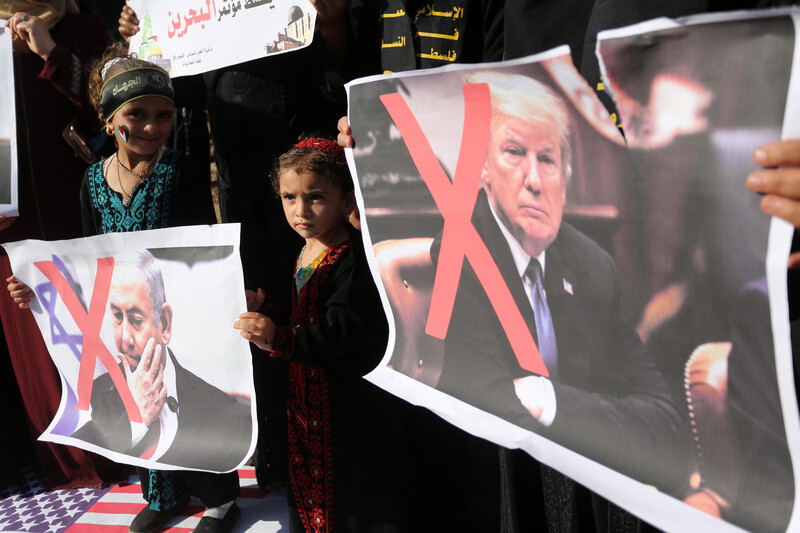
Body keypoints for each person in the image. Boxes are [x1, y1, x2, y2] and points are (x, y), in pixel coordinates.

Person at [9, 44, 241, 533]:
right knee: (141, 400)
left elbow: (205, 240)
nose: (153, 127)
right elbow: (86, 259)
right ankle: (162, 495)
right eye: (138, 114)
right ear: (109, 117)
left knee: (189, 398)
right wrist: (38, 289)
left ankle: (220, 499)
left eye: (163, 115)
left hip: (181, 313)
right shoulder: (92, 181)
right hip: (126, 319)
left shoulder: (182, 172)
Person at [429, 71, 688, 492]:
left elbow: (665, 418)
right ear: (482, 168)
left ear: (565, 176)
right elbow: (487, 405)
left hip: (586, 478)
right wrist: (599, 414)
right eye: (514, 153)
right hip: (508, 481)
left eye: (547, 159)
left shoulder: (592, 265)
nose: (534, 179)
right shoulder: (460, 253)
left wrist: (548, 399)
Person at [233, 137, 414, 532]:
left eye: (316, 197)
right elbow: (301, 308)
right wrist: (267, 309)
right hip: (304, 404)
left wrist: (281, 338)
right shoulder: (302, 249)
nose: (301, 211)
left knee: (350, 496)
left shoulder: (352, 259)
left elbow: (340, 331)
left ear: (346, 198)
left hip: (344, 408)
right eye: (289, 197)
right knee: (309, 484)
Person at [0, 0, 121, 491]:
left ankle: (112, 451)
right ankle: (57, 460)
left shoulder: (83, 28)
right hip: (10, 220)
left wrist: (51, 52)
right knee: (27, 335)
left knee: (86, 328)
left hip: (75, 212)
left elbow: (113, 105)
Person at [70, 249, 252, 473]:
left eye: (136, 320)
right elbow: (97, 461)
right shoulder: (99, 393)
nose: (124, 340)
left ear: (164, 324)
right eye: (117, 317)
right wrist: (134, 422)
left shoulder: (219, 406)